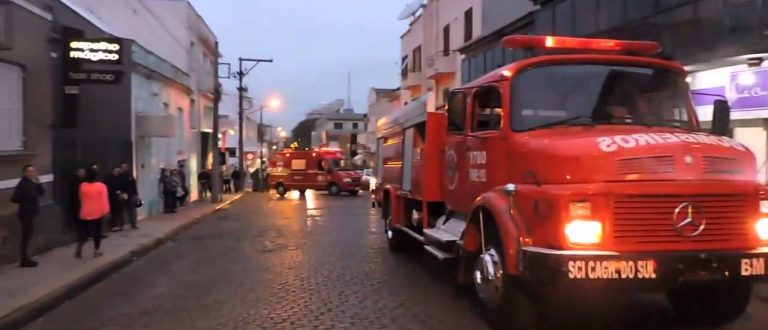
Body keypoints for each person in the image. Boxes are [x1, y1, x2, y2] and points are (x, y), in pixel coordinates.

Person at [11, 165, 44, 268]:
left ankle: (25, 259)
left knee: (27, 236)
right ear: (24, 173)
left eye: (33, 171)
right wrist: (25, 199)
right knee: (25, 237)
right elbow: (14, 199)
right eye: (29, 171)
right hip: (25, 214)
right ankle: (24, 260)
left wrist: (39, 183)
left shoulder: (32, 183)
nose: (31, 173)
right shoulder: (22, 184)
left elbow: (42, 193)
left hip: (31, 213)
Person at [76, 167, 109, 258]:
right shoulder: (101, 186)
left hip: (85, 212)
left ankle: (80, 246)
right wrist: (106, 211)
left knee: (84, 232)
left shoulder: (82, 186)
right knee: (97, 233)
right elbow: (104, 200)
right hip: (97, 213)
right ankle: (96, 250)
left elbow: (81, 199)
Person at [65, 168, 86, 234]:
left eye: (83, 173)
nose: (83, 174)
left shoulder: (84, 180)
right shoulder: (74, 180)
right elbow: (74, 190)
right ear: (77, 173)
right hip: (76, 202)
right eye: (81, 172)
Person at [119, 163, 140, 229]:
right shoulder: (120, 176)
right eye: (123, 167)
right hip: (123, 194)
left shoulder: (130, 175)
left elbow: (134, 185)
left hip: (130, 194)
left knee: (132, 209)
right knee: (123, 210)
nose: (124, 168)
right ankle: (123, 224)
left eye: (125, 167)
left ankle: (133, 224)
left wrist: (136, 194)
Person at [105, 166, 124, 232]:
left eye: (118, 171)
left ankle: (120, 225)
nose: (117, 172)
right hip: (112, 198)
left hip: (119, 198)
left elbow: (123, 186)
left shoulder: (120, 178)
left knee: (120, 212)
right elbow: (108, 187)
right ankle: (113, 226)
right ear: (112, 171)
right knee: (113, 213)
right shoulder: (109, 179)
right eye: (116, 171)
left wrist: (121, 192)